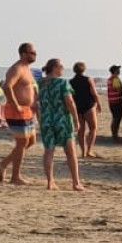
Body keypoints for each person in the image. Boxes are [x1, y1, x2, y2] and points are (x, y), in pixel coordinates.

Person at [36, 57, 84, 190]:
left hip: (46, 120)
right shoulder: (63, 83)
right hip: (62, 120)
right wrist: (75, 119)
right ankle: (76, 182)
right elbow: (69, 102)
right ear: (55, 68)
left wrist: (39, 118)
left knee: (49, 151)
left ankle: (50, 182)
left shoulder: (40, 83)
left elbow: (36, 103)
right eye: (61, 66)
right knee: (70, 152)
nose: (63, 68)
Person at [0, 42, 38, 186]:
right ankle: (15, 176)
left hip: (27, 111)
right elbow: (7, 86)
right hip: (16, 111)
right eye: (32, 53)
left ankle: (3, 164)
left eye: (35, 52)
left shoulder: (27, 69)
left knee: (31, 141)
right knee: (22, 142)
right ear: (23, 54)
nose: (35, 55)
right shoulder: (17, 68)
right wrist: (16, 105)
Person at [71, 61, 101, 159]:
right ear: (84, 69)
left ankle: (83, 152)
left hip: (77, 107)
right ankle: (89, 151)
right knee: (93, 128)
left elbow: (70, 96)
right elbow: (94, 93)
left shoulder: (71, 81)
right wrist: (99, 104)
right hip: (88, 106)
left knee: (81, 131)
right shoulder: (88, 79)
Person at [106, 65, 122, 140]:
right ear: (115, 71)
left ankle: (114, 134)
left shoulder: (109, 79)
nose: (119, 71)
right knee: (117, 118)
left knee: (115, 118)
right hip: (116, 101)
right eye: (118, 70)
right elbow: (118, 89)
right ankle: (115, 135)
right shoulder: (115, 79)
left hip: (111, 101)